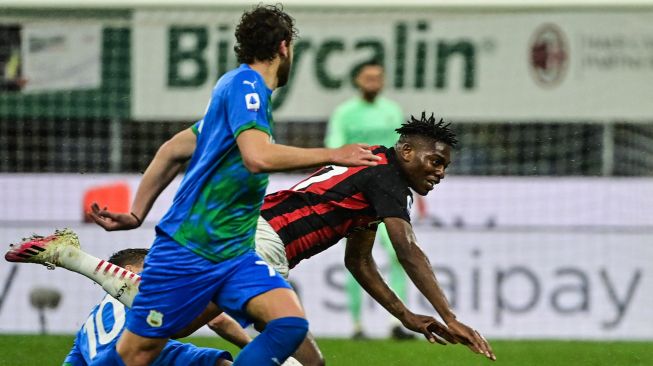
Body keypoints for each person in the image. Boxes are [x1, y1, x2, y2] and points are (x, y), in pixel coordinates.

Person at [7, 113, 496, 363]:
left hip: (242, 230)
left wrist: (409, 316)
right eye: (435, 161)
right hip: (263, 243)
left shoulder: (373, 180)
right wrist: (452, 317)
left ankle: (76, 258)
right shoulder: (386, 174)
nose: (439, 173)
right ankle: (77, 258)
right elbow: (407, 249)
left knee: (169, 327)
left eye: (445, 167)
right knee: (294, 346)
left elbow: (361, 264)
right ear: (406, 150)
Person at [59, 5, 378, 366]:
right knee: (135, 356)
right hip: (187, 250)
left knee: (289, 324)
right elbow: (257, 157)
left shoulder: (233, 93)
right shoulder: (246, 87)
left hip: (232, 252)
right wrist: (336, 153)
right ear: (285, 48)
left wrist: (137, 213)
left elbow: (172, 150)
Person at [325, 61, 415, 339]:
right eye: (368, 77)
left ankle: (396, 323)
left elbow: (403, 151)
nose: (373, 81)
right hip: (355, 191)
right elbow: (335, 148)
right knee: (358, 255)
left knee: (400, 251)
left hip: (388, 191)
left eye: (378, 77)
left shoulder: (393, 111)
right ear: (357, 80)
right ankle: (357, 324)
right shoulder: (344, 113)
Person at [62, 248, 233, 366]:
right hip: (136, 349)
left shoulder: (89, 324)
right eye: (148, 265)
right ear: (128, 270)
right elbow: (217, 320)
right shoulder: (142, 283)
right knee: (212, 362)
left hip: (106, 361)